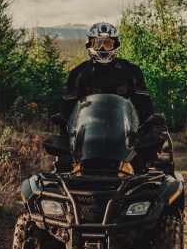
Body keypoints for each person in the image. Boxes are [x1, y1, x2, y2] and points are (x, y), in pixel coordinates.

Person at [59, 22, 165, 164]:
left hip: (126, 134)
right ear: (89, 45)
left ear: (115, 45)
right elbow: (67, 109)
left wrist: (149, 122)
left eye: (107, 44)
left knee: (145, 162)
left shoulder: (131, 71)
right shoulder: (78, 73)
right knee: (64, 163)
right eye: (98, 44)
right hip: (86, 136)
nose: (103, 48)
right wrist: (62, 123)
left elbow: (144, 104)